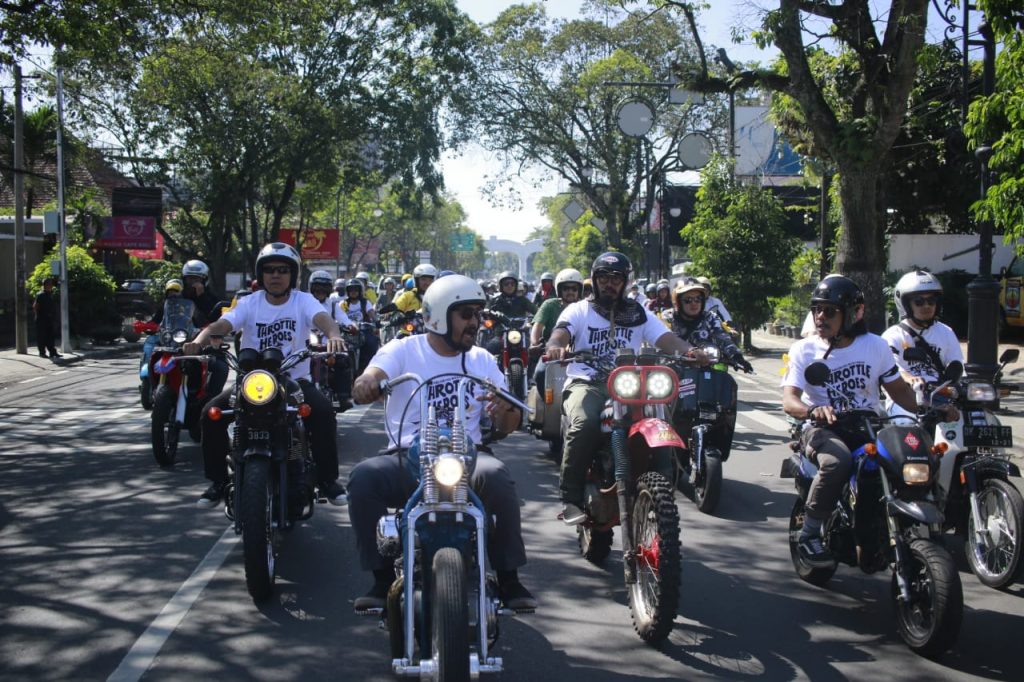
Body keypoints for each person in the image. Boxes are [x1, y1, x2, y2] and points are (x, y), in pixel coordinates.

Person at [347, 274, 537, 612]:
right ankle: (381, 578)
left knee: (498, 477)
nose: (474, 322)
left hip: (468, 456)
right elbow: (374, 373)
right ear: (437, 316)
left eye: (477, 314)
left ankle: (509, 577)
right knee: (363, 478)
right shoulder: (403, 349)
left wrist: (506, 410)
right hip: (408, 455)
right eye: (465, 314)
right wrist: (367, 383)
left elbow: (506, 425)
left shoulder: (482, 359)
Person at [781, 275, 957, 568]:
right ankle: (809, 534)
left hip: (869, 425)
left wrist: (935, 407)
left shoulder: (874, 345)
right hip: (822, 428)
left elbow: (899, 392)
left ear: (851, 314)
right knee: (837, 461)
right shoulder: (804, 349)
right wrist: (813, 411)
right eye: (817, 309)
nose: (820, 316)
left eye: (829, 311)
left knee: (913, 457)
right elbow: (790, 400)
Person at [184, 242, 349, 509]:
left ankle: (329, 481)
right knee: (210, 414)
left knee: (323, 412)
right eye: (270, 270)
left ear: (292, 275)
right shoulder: (249, 303)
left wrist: (334, 335)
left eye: (283, 270)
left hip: (294, 381)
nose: (275, 275)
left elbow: (323, 320)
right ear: (261, 274)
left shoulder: (303, 300)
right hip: (252, 382)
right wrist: (198, 341)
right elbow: (222, 324)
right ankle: (217, 482)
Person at [545, 252, 703, 524]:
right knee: (584, 424)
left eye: (615, 279)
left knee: (662, 418)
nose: (609, 284)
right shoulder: (579, 310)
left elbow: (667, 338)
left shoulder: (639, 313)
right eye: (603, 278)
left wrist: (690, 352)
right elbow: (560, 333)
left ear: (626, 282)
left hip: (632, 384)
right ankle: (571, 497)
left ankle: (663, 494)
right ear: (594, 280)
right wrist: (555, 346)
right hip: (588, 382)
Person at [882, 270, 963, 419]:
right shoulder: (893, 335)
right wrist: (909, 378)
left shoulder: (946, 332)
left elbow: (957, 367)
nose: (926, 306)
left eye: (931, 301)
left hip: (941, 396)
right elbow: (891, 370)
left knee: (974, 420)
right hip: (905, 398)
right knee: (910, 424)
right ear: (906, 305)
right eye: (919, 301)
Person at [308, 270, 357, 409]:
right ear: (311, 287)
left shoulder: (334, 306)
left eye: (324, 287)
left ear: (329, 289)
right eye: (317, 287)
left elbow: (345, 320)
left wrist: (352, 326)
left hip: (329, 345)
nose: (320, 290)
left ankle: (343, 397)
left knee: (343, 359)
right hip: (306, 346)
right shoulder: (304, 303)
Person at [180, 259, 228, 397]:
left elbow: (216, 320)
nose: (193, 283)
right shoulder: (178, 297)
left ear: (204, 281)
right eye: (189, 279)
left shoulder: (211, 298)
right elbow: (164, 314)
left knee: (220, 366)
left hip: (206, 344)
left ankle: (210, 399)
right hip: (179, 341)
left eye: (197, 279)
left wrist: (201, 297)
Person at [530, 268, 583, 390]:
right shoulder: (550, 305)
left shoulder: (585, 307)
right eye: (566, 288)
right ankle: (545, 401)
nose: (570, 292)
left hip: (580, 355)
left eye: (574, 289)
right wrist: (534, 343)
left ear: (579, 290)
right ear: (559, 290)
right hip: (551, 353)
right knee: (540, 374)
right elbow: (537, 326)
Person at [341, 277, 380, 373]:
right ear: (347, 291)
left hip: (363, 330)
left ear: (360, 291)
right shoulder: (344, 303)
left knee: (371, 343)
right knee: (339, 350)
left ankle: (369, 367)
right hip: (348, 332)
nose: (353, 292)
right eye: (351, 290)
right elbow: (339, 315)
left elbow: (371, 313)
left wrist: (376, 320)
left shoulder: (365, 302)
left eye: (356, 290)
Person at [33, 277, 60, 358]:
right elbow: (35, 306)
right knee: (42, 337)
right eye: (50, 284)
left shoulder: (51, 294)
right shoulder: (40, 295)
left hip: (50, 318)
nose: (51, 286)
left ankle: (52, 352)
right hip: (42, 319)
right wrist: (38, 316)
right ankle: (42, 353)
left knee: (51, 336)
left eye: (51, 284)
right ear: (45, 285)